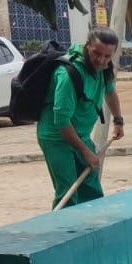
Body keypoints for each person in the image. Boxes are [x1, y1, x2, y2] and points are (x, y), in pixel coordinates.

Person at [38, 29, 124, 208]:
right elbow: (61, 122)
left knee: (91, 189)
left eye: (107, 56)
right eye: (96, 54)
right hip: (56, 138)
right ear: (87, 47)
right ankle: (66, 233)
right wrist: (86, 152)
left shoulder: (103, 69)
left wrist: (118, 120)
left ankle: (92, 231)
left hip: (81, 135)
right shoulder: (68, 74)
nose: (101, 60)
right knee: (68, 193)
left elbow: (110, 92)